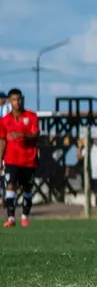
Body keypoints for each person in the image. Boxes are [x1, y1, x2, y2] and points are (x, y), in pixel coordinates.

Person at [0, 88, 39, 227]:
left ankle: (24, 216)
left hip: (28, 159)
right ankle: (11, 218)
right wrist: (0, 159)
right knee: (10, 186)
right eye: (15, 99)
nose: (18, 102)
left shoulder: (31, 116)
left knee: (27, 189)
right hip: (11, 159)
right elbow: (3, 141)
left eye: (19, 99)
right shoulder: (5, 121)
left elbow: (35, 135)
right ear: (10, 101)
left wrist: (22, 135)